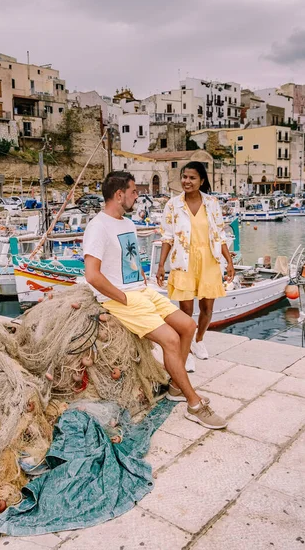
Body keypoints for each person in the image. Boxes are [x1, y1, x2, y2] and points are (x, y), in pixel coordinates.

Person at [83, 170, 227, 430]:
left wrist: (140, 277)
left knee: (188, 326)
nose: (137, 196)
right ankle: (194, 404)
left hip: (141, 290)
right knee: (170, 339)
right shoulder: (97, 227)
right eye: (133, 191)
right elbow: (92, 275)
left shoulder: (126, 223)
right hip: (121, 298)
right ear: (119, 195)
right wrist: (122, 297)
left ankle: (174, 386)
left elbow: (128, 258)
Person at [157, 161, 235, 372]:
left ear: (201, 180)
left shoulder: (212, 203)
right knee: (185, 310)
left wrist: (229, 262)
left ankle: (198, 340)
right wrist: (161, 265)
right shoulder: (172, 205)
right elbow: (167, 237)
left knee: (207, 308)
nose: (187, 181)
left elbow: (220, 235)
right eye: (184, 177)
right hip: (184, 261)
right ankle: (187, 352)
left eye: (192, 178)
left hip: (209, 260)